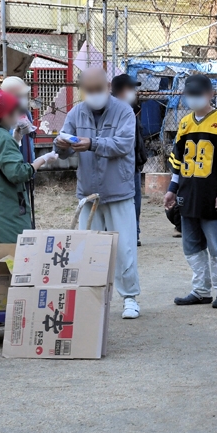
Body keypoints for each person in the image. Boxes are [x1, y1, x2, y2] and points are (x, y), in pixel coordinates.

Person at [55, 69, 143, 320]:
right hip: (88, 192)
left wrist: (92, 143)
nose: (94, 94)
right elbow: (64, 150)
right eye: (89, 90)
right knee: (88, 249)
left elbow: (124, 144)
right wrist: (60, 146)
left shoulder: (124, 111)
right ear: (82, 90)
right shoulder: (75, 112)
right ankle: (91, 298)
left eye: (98, 89)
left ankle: (129, 298)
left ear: (107, 85)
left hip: (119, 190)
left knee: (124, 247)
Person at [165, 74, 217, 309]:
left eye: (199, 94)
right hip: (188, 195)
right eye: (190, 95)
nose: (194, 99)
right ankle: (201, 290)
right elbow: (178, 162)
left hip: (212, 195)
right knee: (191, 245)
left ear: (211, 94)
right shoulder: (185, 123)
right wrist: (172, 189)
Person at [0, 88, 55, 244]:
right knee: (15, 257)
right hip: (7, 211)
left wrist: (16, 138)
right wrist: (43, 159)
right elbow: (17, 173)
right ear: (5, 114)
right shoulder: (2, 137)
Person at [112, 74, 148, 245]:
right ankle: (124, 235)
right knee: (124, 204)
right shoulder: (111, 111)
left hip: (134, 166)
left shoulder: (132, 109)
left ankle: (134, 234)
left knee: (136, 204)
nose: (135, 92)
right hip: (119, 168)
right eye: (131, 89)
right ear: (120, 91)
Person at [0, 75, 37, 163]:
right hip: (9, 165)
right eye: (19, 95)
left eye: (24, 95)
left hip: (26, 165)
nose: (23, 99)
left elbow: (30, 141)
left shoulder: (25, 112)